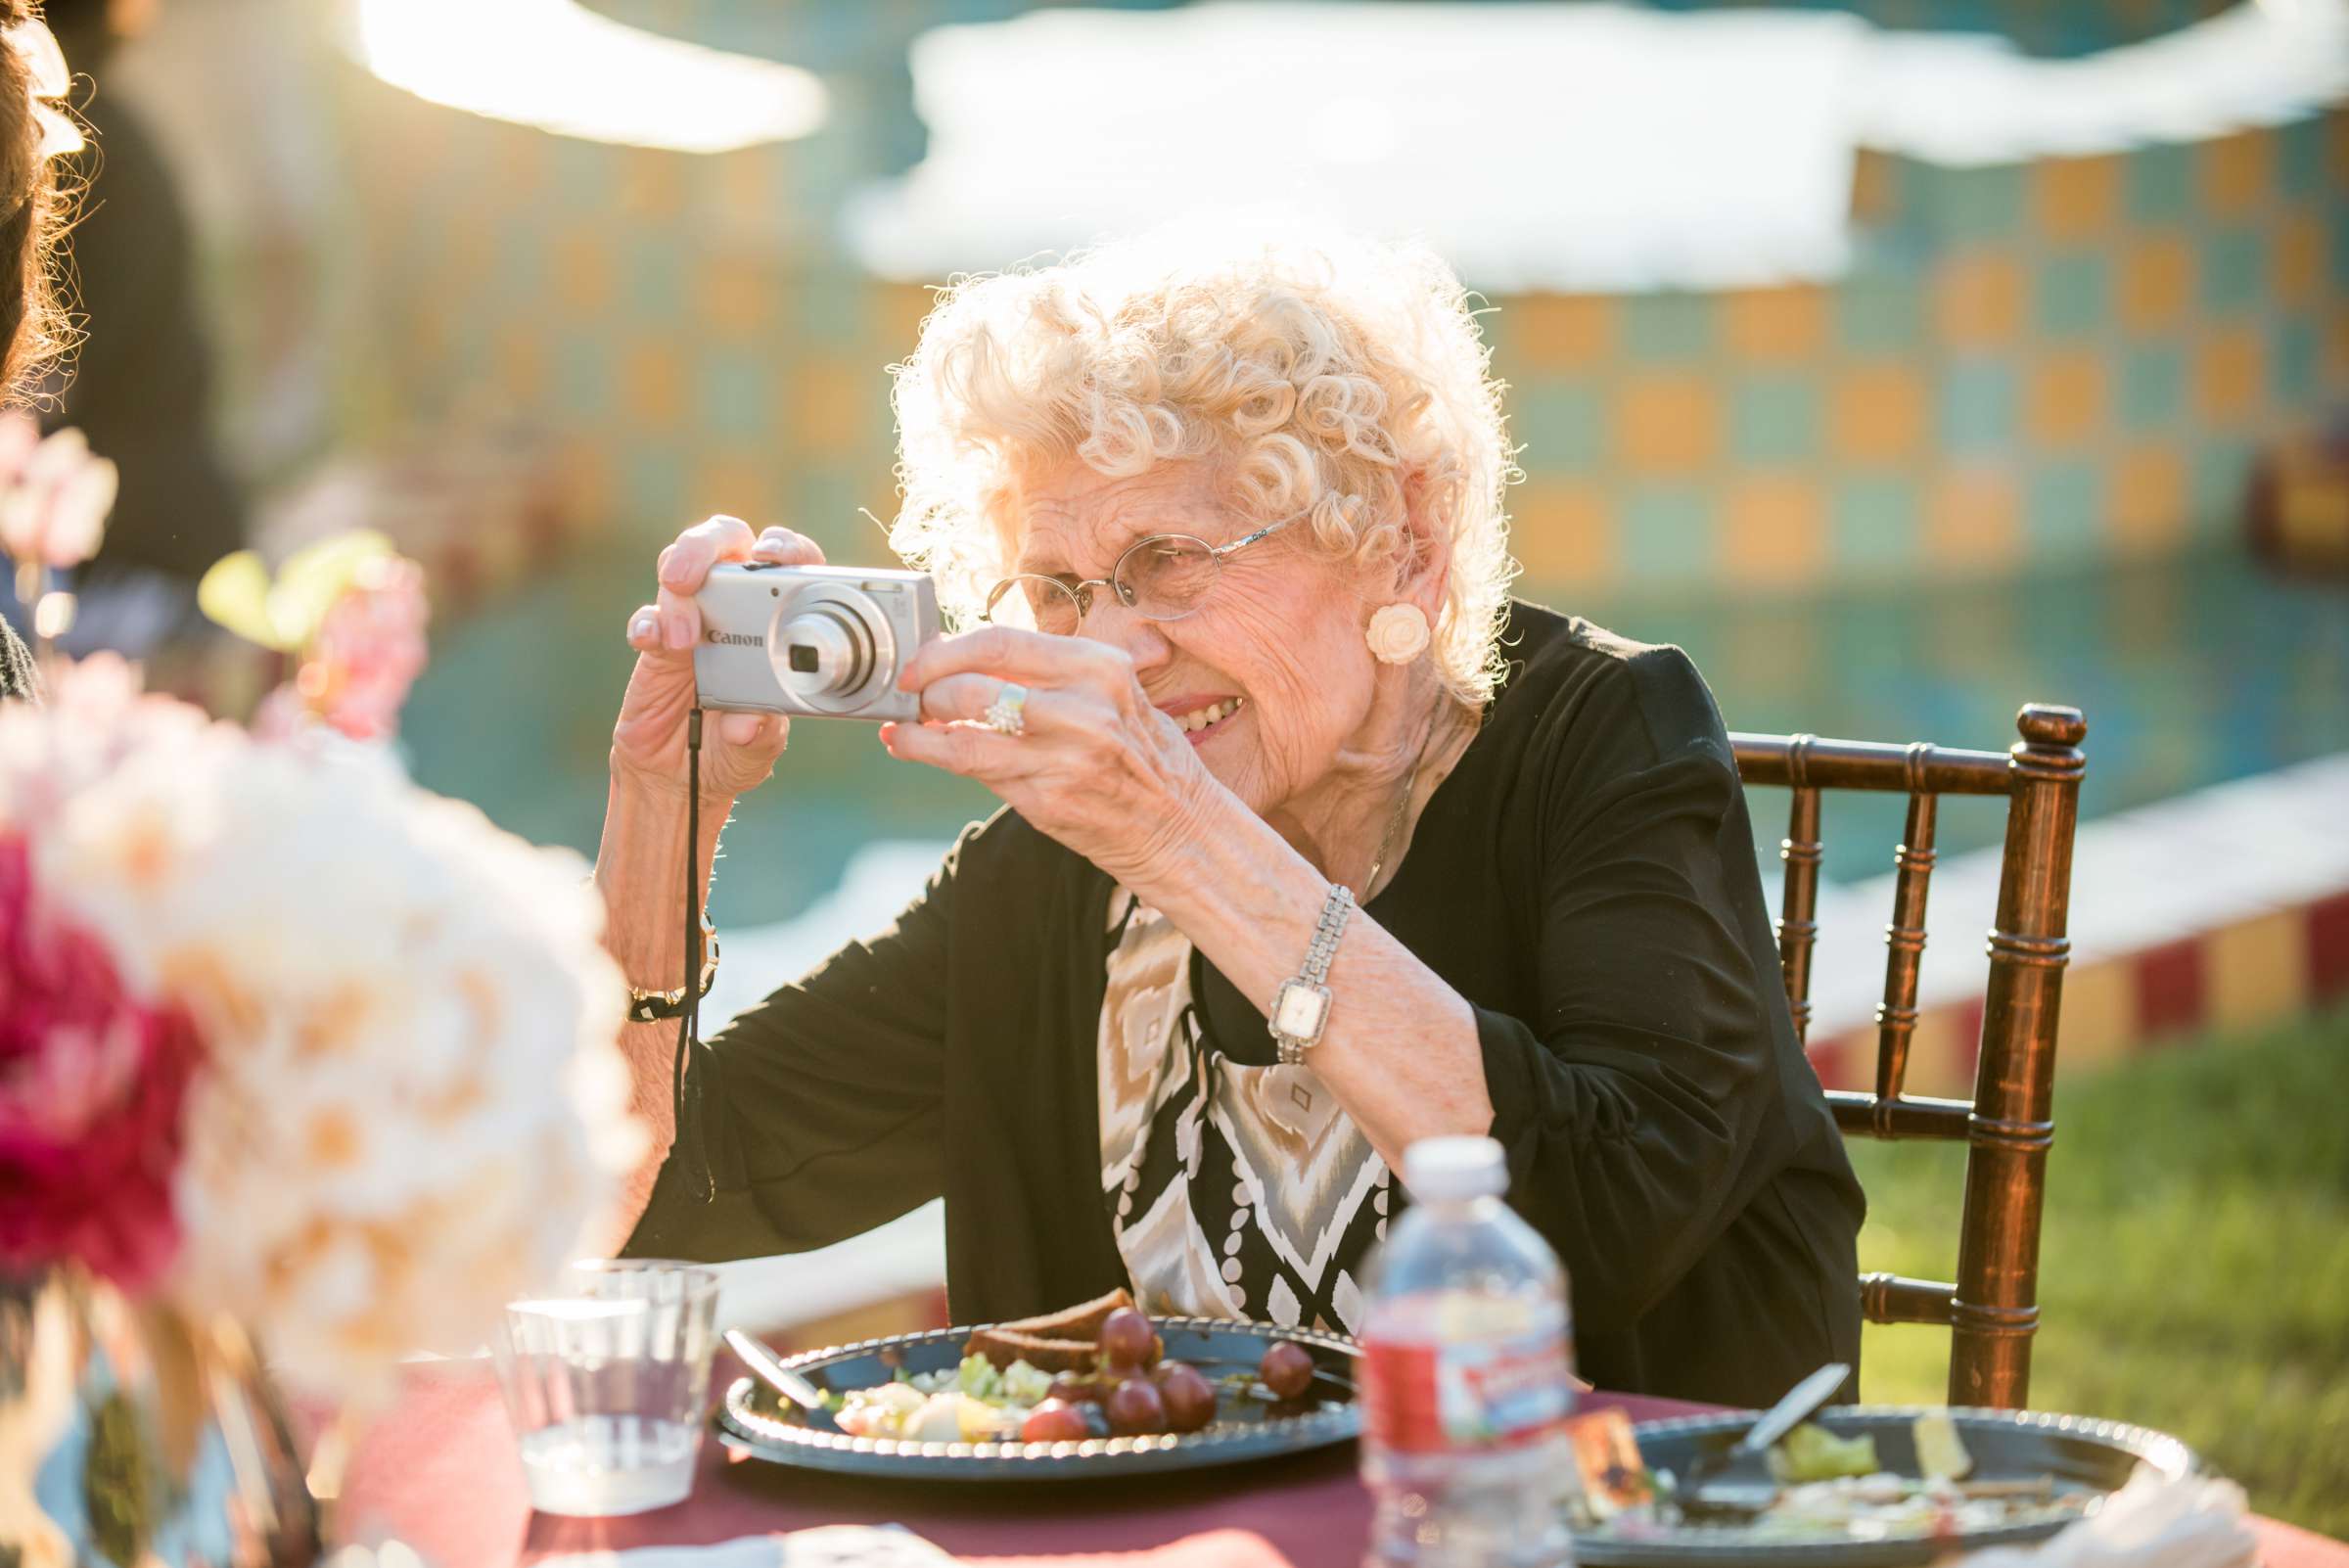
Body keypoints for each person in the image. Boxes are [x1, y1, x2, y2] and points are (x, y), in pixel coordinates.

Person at [596, 229, 1864, 1405]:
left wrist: (1180, 841)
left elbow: (1615, 1209)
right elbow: (652, 1181)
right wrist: (665, 802)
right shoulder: (1058, 874)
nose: (1111, 646)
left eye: (1169, 562)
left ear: (1403, 539)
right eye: (1060, 585)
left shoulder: (1606, 742)